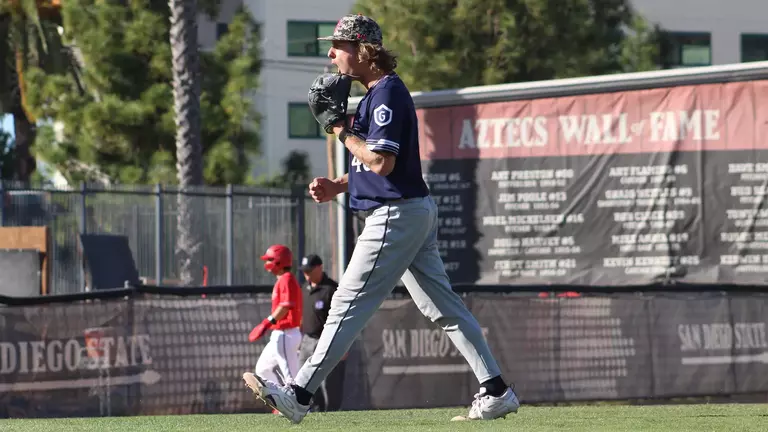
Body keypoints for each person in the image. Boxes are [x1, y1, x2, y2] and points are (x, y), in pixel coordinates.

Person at [243, 13, 519, 424]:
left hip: (396, 215)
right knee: (442, 307)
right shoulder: (376, 94)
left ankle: (299, 395)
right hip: (409, 210)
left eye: (338, 45)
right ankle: (496, 390)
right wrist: (339, 185)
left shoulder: (386, 92)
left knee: (347, 304)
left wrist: (338, 127)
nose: (332, 54)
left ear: (363, 49)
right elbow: (370, 165)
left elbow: (380, 161)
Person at [247, 244, 303, 392]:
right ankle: (281, 400)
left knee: (291, 378)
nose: (267, 263)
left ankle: (300, 405)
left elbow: (286, 306)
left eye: (270, 259)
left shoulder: (287, 278)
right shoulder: (282, 279)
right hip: (280, 334)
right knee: (262, 370)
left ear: (279, 261)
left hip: (286, 333)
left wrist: (267, 322)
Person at [297, 254, 346, 412]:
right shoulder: (305, 288)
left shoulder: (331, 289)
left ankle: (332, 413)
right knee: (305, 378)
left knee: (329, 382)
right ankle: (315, 411)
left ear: (320, 268)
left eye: (309, 270)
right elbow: (304, 315)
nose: (306, 274)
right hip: (307, 340)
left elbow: (342, 318)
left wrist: (343, 345)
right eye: (304, 271)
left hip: (326, 341)